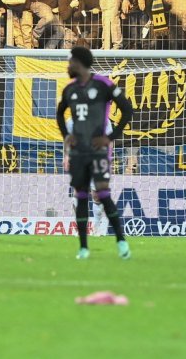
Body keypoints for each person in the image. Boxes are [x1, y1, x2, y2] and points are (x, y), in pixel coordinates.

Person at [56, 46, 134, 260]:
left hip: (99, 150)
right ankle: (83, 247)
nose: (68, 66)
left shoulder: (104, 83)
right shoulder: (70, 89)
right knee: (80, 196)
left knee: (101, 194)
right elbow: (61, 114)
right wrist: (66, 140)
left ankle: (121, 242)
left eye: (71, 61)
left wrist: (110, 138)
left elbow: (127, 109)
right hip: (79, 152)